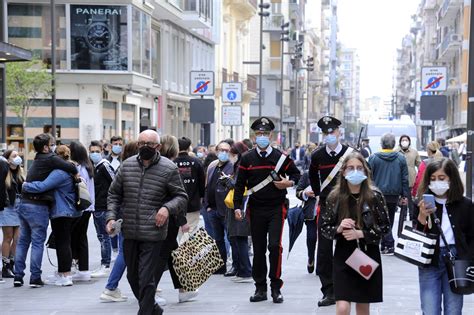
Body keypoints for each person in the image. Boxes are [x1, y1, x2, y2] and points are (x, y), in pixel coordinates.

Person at [106, 130, 188, 315]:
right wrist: (110, 217)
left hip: (154, 232)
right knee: (132, 277)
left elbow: (181, 196)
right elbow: (113, 194)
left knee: (146, 278)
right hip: (130, 231)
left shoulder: (168, 168)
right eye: (141, 143)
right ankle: (154, 309)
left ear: (158, 147)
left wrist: (166, 208)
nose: (144, 147)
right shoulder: (126, 166)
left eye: (149, 144)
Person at [233, 117, 301, 304]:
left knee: (274, 247)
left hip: (276, 208)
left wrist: (288, 183)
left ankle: (276, 287)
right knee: (259, 248)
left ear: (271, 135)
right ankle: (260, 288)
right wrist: (237, 207)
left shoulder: (280, 157)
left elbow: (296, 174)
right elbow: (240, 185)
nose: (262, 137)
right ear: (254, 136)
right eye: (258, 134)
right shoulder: (247, 158)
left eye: (265, 134)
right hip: (255, 209)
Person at [321, 152, 390, 315]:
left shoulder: (375, 196)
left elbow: (385, 227)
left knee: (362, 307)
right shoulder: (335, 197)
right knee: (343, 307)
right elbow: (325, 228)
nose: (355, 171)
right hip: (343, 255)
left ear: (366, 172)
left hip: (367, 254)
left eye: (359, 168)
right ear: (343, 172)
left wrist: (361, 234)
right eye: (350, 168)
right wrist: (338, 228)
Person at [14, 133, 78, 288]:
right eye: (52, 144)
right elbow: (71, 166)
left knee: (23, 241)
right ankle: (35, 277)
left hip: (23, 203)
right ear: (45, 147)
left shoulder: (37, 158)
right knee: (37, 242)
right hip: (37, 206)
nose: (54, 146)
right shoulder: (49, 158)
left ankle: (18, 276)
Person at [415, 158, 474, 315]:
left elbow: (471, 235)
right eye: (432, 179)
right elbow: (415, 236)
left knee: (453, 310)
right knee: (429, 309)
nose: (437, 183)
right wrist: (422, 217)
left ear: (451, 178)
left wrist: (467, 260)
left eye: (442, 178)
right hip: (429, 260)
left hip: (456, 259)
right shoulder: (422, 204)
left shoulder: (466, 205)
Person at [309, 115, 352, 307]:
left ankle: (347, 287)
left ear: (338, 132)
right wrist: (320, 194)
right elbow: (312, 176)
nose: (329, 135)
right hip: (327, 206)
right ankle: (328, 290)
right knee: (324, 250)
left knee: (347, 247)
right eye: (325, 132)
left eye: (332, 132)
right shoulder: (317, 155)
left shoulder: (351, 154)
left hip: (347, 205)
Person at [156, 135, 197, 304]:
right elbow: (178, 196)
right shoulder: (169, 167)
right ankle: (152, 290)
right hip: (168, 217)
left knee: (173, 254)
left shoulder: (156, 164)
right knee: (162, 256)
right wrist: (182, 221)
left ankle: (183, 288)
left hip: (161, 214)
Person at [100, 141, 138, 303]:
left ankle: (112, 287)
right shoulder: (130, 170)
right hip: (129, 217)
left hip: (125, 216)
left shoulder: (123, 168)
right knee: (125, 252)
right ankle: (110, 287)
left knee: (127, 252)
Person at [368, 133, 409, 255]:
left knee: (379, 218)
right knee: (389, 218)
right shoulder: (401, 158)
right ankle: (386, 244)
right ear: (394, 144)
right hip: (394, 194)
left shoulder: (374, 158)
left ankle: (388, 243)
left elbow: (369, 176)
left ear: (381, 144)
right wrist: (404, 195)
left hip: (377, 193)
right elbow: (405, 178)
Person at [204, 141, 234, 275]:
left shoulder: (232, 166)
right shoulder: (212, 166)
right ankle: (220, 266)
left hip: (226, 209)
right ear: (216, 151)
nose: (224, 153)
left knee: (231, 237)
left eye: (227, 150)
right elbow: (207, 185)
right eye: (221, 150)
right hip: (212, 209)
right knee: (217, 239)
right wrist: (207, 205)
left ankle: (235, 265)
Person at [224, 141, 252, 282]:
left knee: (240, 237)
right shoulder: (239, 164)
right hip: (239, 202)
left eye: (232, 153)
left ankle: (246, 270)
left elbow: (243, 182)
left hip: (242, 202)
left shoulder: (243, 164)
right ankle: (242, 269)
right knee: (237, 237)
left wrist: (232, 183)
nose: (230, 155)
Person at [89, 141, 115, 278]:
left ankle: (105, 265)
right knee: (102, 236)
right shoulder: (93, 167)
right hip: (96, 206)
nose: (94, 154)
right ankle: (104, 264)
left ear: (102, 151)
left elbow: (115, 182)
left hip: (103, 206)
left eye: (96, 151)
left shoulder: (104, 165)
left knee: (104, 237)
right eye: (91, 151)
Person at [69, 141, 95, 281]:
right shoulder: (88, 167)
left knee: (75, 237)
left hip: (81, 207)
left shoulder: (80, 170)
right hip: (88, 207)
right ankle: (83, 269)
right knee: (81, 237)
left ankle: (78, 266)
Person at [174, 137, 205, 244]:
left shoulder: (172, 163)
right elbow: (202, 184)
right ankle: (185, 257)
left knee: (179, 233)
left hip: (176, 205)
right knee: (190, 231)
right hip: (193, 203)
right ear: (189, 148)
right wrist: (201, 197)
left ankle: (182, 255)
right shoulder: (196, 162)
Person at [0, 151, 23, 279]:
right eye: (14, 156)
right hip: (7, 207)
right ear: (7, 160)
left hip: (19, 208)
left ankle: (13, 264)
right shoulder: (3, 171)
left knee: (18, 238)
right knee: (8, 237)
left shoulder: (20, 173)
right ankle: (5, 266)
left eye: (18, 155)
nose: (17, 158)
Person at [296, 170, 318, 274]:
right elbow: (298, 191)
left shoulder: (331, 172)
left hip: (327, 211)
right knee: (311, 237)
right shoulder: (307, 174)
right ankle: (311, 257)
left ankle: (323, 265)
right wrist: (305, 193)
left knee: (325, 240)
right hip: (310, 212)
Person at [397, 134, 421, 219]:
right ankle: (403, 215)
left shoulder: (414, 152)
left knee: (411, 198)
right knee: (403, 198)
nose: (404, 142)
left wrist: (420, 175)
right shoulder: (396, 152)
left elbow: (419, 164)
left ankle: (411, 215)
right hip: (399, 179)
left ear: (409, 142)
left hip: (411, 178)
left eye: (406, 140)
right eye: (403, 140)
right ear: (400, 142)